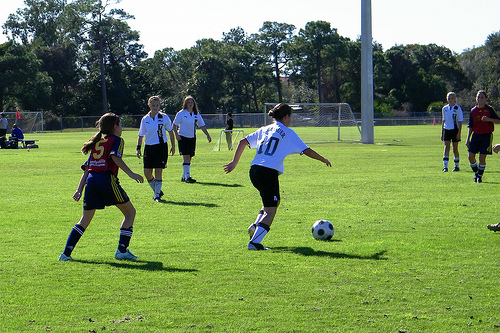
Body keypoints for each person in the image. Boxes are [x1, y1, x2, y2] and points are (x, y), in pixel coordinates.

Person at [223, 103, 331, 251]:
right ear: (286, 116)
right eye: (290, 117)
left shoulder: (265, 129)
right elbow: (307, 150)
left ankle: (255, 226)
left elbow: (243, 142)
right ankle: (255, 243)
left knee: (275, 201)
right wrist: (323, 159)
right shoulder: (288, 132)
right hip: (268, 172)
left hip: (254, 170)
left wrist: (234, 162)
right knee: (271, 210)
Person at [59, 113, 144, 261]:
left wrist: (79, 189)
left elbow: (88, 169)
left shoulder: (98, 142)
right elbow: (114, 157)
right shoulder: (117, 140)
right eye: (120, 125)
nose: (121, 128)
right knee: (130, 213)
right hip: (107, 180)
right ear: (115, 127)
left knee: (84, 220)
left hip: (91, 182)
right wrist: (131, 174)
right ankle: (121, 251)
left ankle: (65, 254)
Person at [136, 96, 175, 202]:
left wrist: (173, 145)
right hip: (149, 147)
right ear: (149, 105)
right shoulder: (145, 119)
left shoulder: (164, 117)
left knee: (158, 171)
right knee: (147, 172)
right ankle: (157, 190)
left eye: (157, 105)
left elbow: (170, 131)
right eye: (153, 105)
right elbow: (141, 135)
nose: (155, 107)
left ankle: (157, 195)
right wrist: (138, 148)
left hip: (161, 147)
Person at [173, 95, 212, 183]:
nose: (190, 104)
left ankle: (184, 176)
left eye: (192, 102)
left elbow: (202, 125)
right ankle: (188, 177)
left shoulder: (196, 114)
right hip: (183, 137)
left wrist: (207, 135)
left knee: (189, 158)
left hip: (192, 138)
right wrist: (176, 135)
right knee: (186, 157)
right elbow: (174, 125)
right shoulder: (181, 113)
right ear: (185, 104)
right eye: (188, 102)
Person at [465, 90, 500, 183]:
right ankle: (477, 173)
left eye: (482, 97)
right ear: (476, 98)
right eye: (478, 97)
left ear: (485, 99)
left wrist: (488, 119)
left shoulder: (489, 109)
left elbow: (498, 120)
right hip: (476, 136)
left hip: (486, 136)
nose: (480, 99)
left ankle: (479, 177)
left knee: (482, 158)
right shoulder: (473, 111)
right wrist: (468, 138)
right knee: (470, 157)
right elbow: (471, 126)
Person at [441, 92, 463, 172]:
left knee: (455, 148)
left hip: (455, 130)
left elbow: (460, 122)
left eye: (452, 98)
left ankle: (456, 166)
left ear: (455, 99)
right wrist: (442, 132)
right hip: (447, 129)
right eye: (449, 98)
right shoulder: (444, 108)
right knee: (446, 147)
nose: (450, 100)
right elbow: (443, 121)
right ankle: (445, 167)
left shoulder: (457, 108)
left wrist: (459, 133)